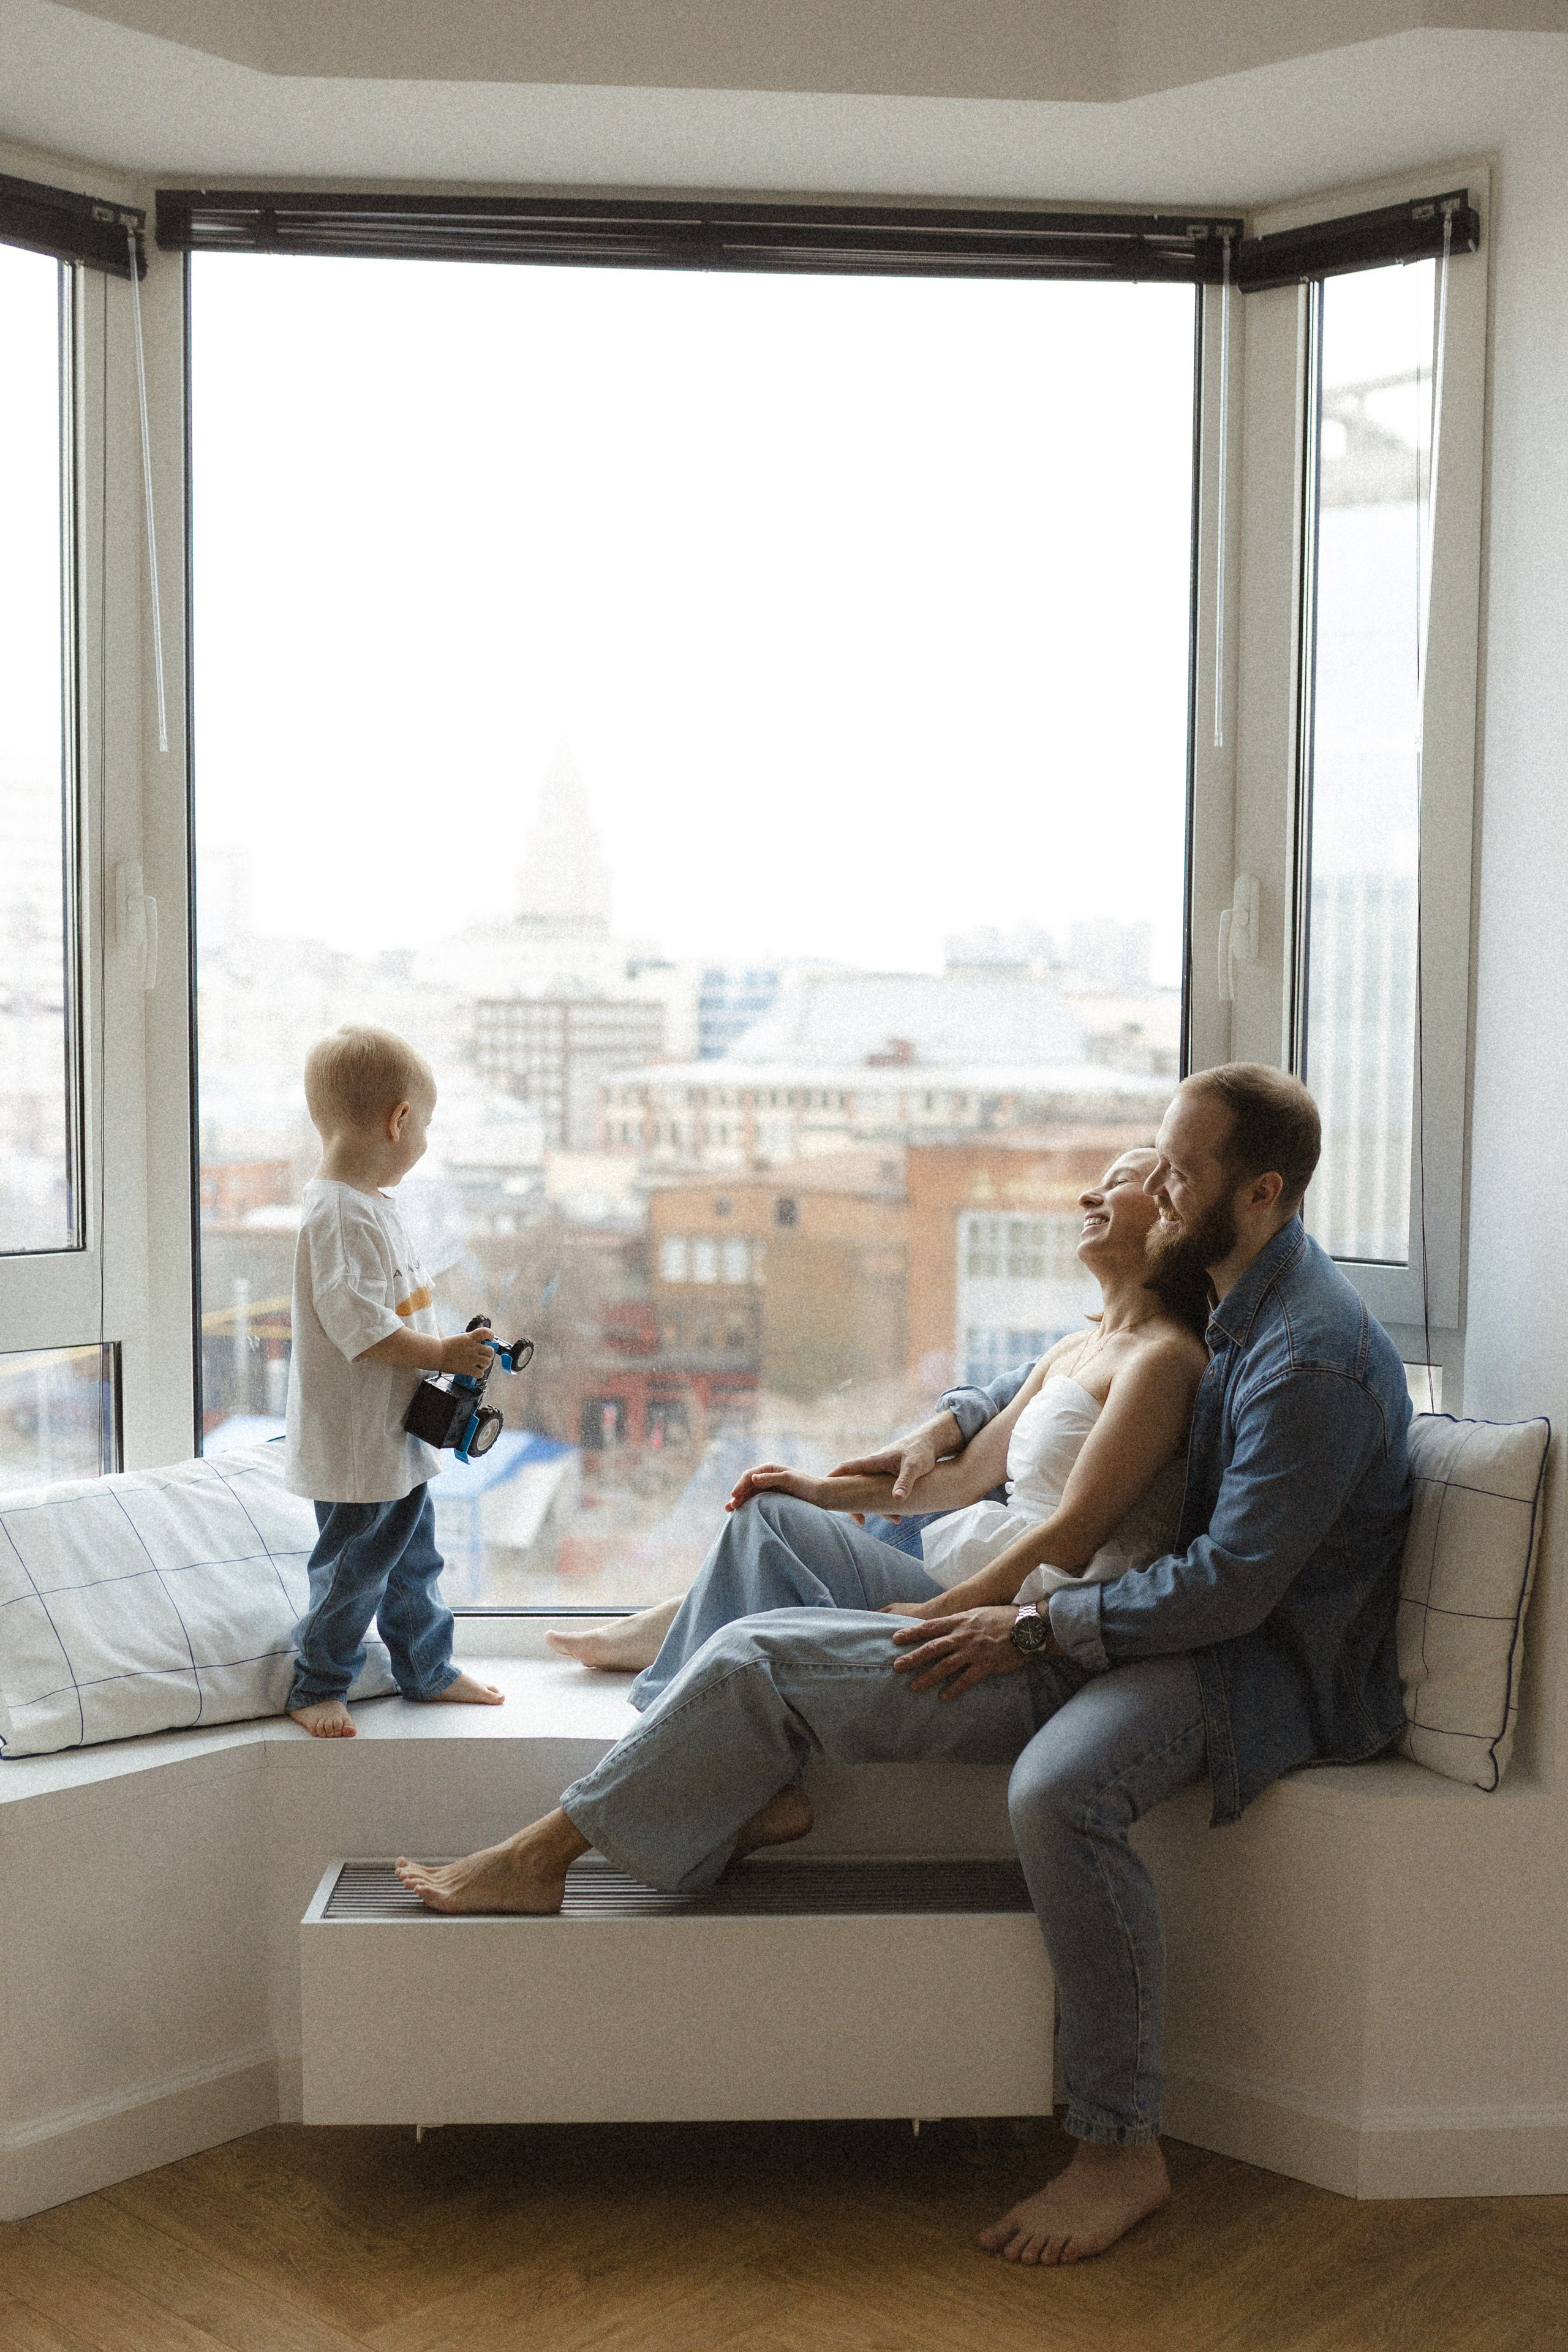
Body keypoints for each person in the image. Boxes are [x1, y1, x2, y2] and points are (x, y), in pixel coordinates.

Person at [396, 1064, 1413, 2272]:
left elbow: (1222, 1584)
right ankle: (679, 1782)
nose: (1142, 1182)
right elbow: (1071, 1365)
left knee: (1035, 1781)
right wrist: (923, 1442)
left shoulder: (1305, 1357)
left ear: (1254, 1195)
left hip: (1241, 1660)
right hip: (1109, 1613)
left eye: (1171, 1173)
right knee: (771, 1566)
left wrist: (1021, 1628)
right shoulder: (1221, 1287)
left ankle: (1115, 2147)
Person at [548, 1145, 1212, 1703]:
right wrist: (814, 1489)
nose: (1087, 1199)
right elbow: (963, 1480)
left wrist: (937, 1613)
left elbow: (1074, 1534)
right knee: (771, 1513)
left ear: (1168, 1217)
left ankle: (669, 1695)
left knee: (776, 1554)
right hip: (981, 1559)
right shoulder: (1074, 1349)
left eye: (1117, 1185)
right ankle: (675, 1691)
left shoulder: (1163, 1360)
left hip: (1023, 1605)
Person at [282, 1024, 505, 1737]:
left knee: (414, 1560)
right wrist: (444, 1350)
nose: (425, 1142)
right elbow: (365, 1329)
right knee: (353, 1570)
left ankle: (426, 1669)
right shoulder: (339, 1213)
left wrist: (449, 1351)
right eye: (427, 1124)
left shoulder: (369, 1204)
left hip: (393, 1439)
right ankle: (317, 1684)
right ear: (398, 1119)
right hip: (356, 1450)